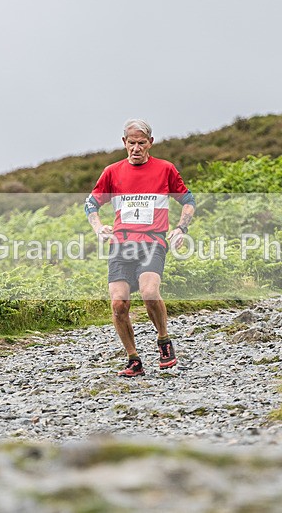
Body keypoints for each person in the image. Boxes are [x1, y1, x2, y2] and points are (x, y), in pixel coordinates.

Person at [85, 119, 196, 377]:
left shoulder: (165, 169)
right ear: (124, 143)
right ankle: (133, 359)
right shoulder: (112, 172)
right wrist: (98, 227)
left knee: (148, 292)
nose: (136, 148)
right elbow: (90, 204)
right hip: (121, 246)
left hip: (152, 242)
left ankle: (164, 340)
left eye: (141, 143)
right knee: (118, 305)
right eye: (131, 143)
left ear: (150, 143)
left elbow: (188, 199)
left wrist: (181, 228)